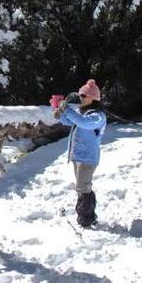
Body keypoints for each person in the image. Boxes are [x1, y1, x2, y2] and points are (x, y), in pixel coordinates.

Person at [53, 79, 107, 228]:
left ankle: (87, 218)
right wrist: (58, 109)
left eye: (83, 96)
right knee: (82, 187)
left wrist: (66, 108)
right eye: (80, 95)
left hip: (88, 157)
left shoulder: (98, 116)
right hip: (78, 155)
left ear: (93, 98)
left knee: (83, 187)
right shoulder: (82, 112)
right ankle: (86, 215)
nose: (80, 98)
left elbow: (83, 122)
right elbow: (69, 121)